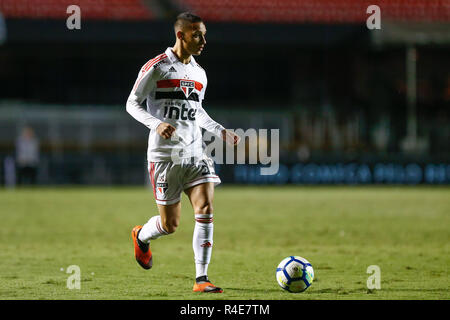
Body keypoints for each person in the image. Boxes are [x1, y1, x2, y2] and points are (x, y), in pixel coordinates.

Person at [126, 12, 240, 293]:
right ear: (180, 35)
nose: (203, 40)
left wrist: (219, 130)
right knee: (170, 224)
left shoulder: (199, 73)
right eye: (197, 34)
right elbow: (132, 103)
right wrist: (157, 123)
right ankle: (141, 235)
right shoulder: (157, 67)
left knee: (206, 209)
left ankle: (202, 279)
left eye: (204, 34)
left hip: (196, 153)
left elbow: (197, 111)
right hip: (165, 157)